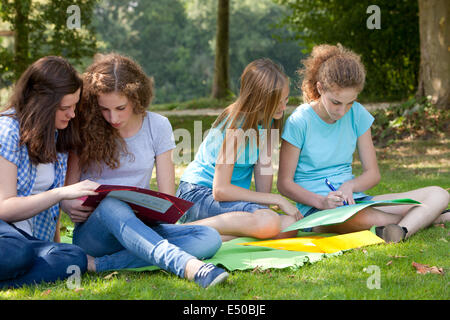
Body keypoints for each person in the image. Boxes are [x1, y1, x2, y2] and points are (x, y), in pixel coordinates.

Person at [61, 53, 228, 288]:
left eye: (121, 108)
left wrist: (160, 211)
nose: (113, 117)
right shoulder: (85, 127)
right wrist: (69, 204)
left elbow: (168, 198)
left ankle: (99, 265)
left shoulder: (157, 125)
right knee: (111, 204)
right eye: (104, 109)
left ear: (136, 98)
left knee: (209, 238)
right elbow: (67, 189)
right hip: (96, 234)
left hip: (141, 227)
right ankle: (190, 267)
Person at [277, 44, 450, 243]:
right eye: (336, 102)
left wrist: (351, 186)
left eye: (350, 102)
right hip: (317, 208)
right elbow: (284, 183)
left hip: (356, 201)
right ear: (320, 88)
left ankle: (401, 230)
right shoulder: (300, 121)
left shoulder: (357, 114)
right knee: (363, 218)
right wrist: (321, 201)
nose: (342, 111)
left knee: (438, 194)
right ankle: (427, 219)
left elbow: (372, 174)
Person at [0, 56, 100, 289]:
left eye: (74, 105)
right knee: (16, 251)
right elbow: (4, 208)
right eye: (65, 108)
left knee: (73, 257)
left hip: (27, 242)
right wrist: (60, 193)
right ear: (41, 104)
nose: (72, 114)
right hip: (6, 235)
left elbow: (52, 216)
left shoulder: (56, 134)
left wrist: (57, 246)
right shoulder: (7, 131)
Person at [176, 58, 301, 241]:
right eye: (277, 102)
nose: (283, 107)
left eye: (286, 99)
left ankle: (219, 235)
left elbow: (263, 169)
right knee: (269, 223)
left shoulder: (271, 121)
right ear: (259, 100)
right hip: (197, 195)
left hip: (225, 203)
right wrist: (277, 199)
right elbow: (220, 190)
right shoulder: (236, 125)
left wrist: (264, 205)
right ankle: (180, 230)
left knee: (289, 226)